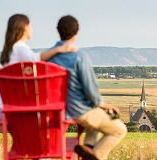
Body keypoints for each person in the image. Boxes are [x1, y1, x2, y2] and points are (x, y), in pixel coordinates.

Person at [47, 15, 127, 160]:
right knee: (120, 130)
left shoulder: (48, 56)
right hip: (78, 111)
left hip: (57, 111)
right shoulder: (79, 57)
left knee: (96, 118)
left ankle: (88, 148)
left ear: (57, 31)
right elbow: (92, 92)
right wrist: (104, 105)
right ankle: (94, 156)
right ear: (77, 32)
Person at [0, 14, 77, 121]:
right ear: (26, 27)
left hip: (0, 103)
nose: (32, 29)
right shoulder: (19, 48)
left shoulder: (13, 48)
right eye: (30, 26)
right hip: (5, 105)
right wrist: (58, 49)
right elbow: (35, 58)